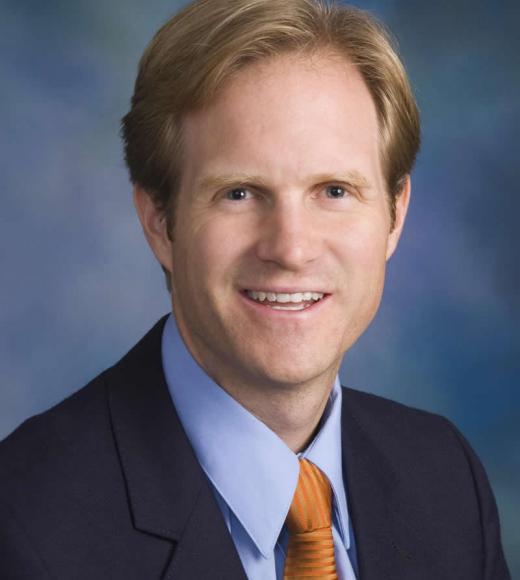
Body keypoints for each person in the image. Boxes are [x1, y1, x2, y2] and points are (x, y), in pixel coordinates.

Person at [0, 0, 510, 578]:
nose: (291, 249)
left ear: (394, 216)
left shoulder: (445, 478)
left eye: (335, 190)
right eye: (239, 193)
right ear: (160, 223)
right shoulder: (24, 523)